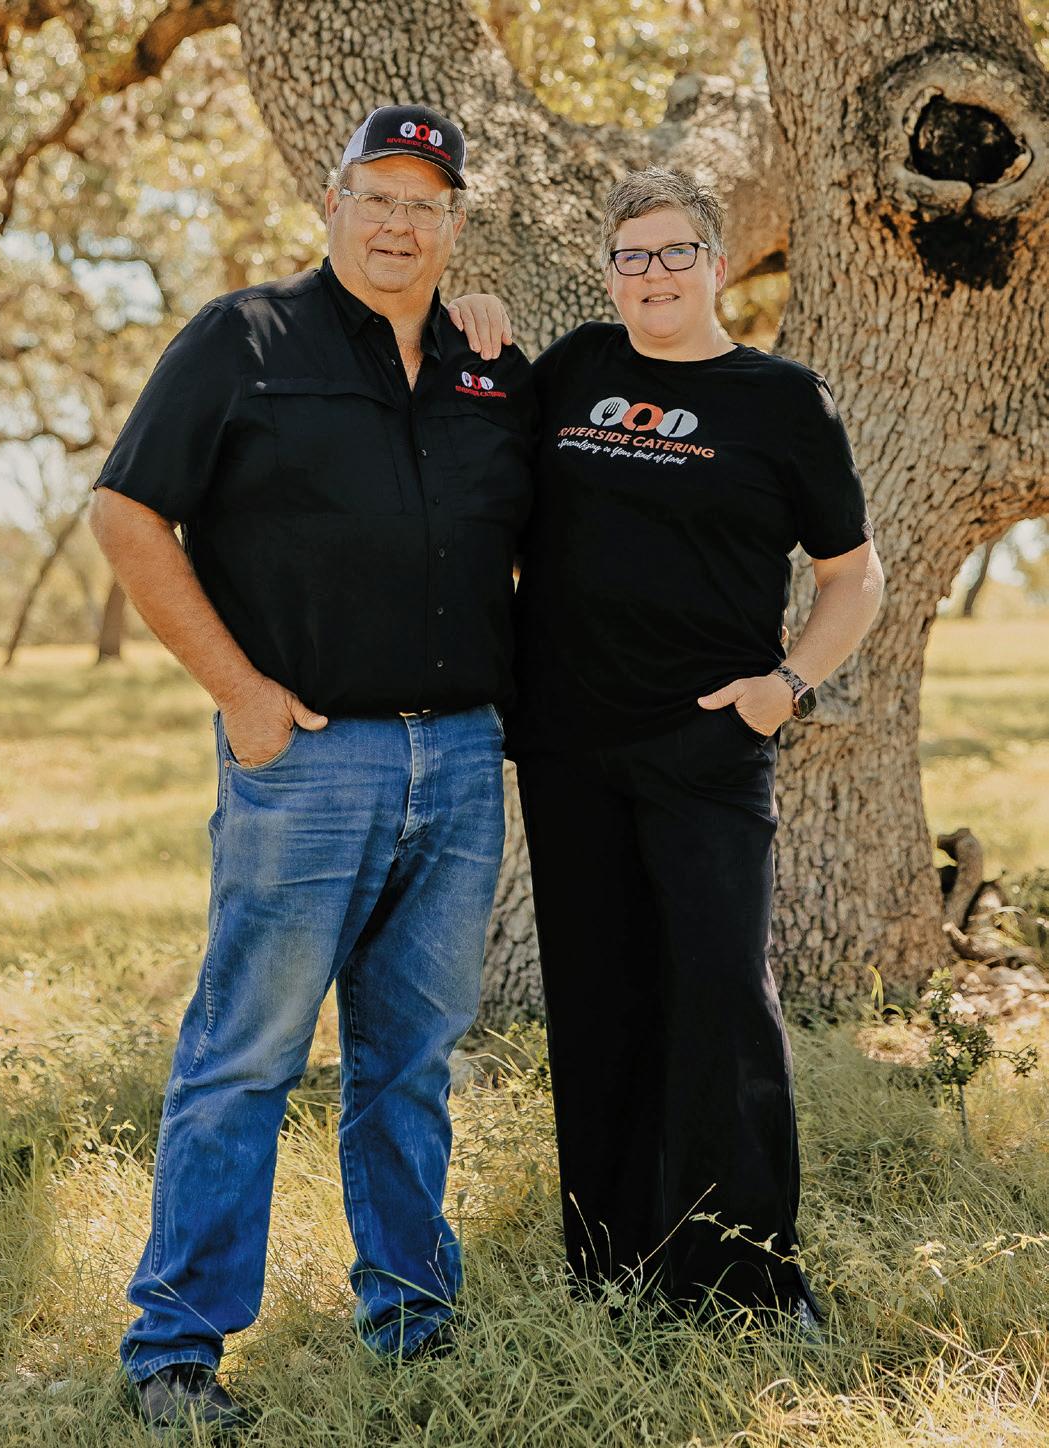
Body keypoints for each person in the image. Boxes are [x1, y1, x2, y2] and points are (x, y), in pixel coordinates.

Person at [89, 104, 534, 1432]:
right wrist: (241, 694)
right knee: (246, 1054)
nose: (399, 223)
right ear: (331, 206)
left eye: (426, 204)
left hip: (462, 758)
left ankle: (412, 1316)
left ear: (455, 225)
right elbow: (124, 510)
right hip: (310, 761)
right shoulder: (244, 338)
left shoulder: (492, 366)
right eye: (376, 197)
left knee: (411, 1061)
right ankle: (176, 1348)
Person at [450, 167, 884, 1329]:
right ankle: (614, 1266)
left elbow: (854, 577)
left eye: (675, 251)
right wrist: (476, 316)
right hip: (570, 746)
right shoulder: (577, 368)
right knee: (598, 999)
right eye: (631, 255)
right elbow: (474, 421)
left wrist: (785, 686)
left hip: (708, 747)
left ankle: (749, 1277)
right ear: (609, 273)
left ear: (717, 264)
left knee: (722, 1000)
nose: (654, 273)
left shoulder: (783, 402)